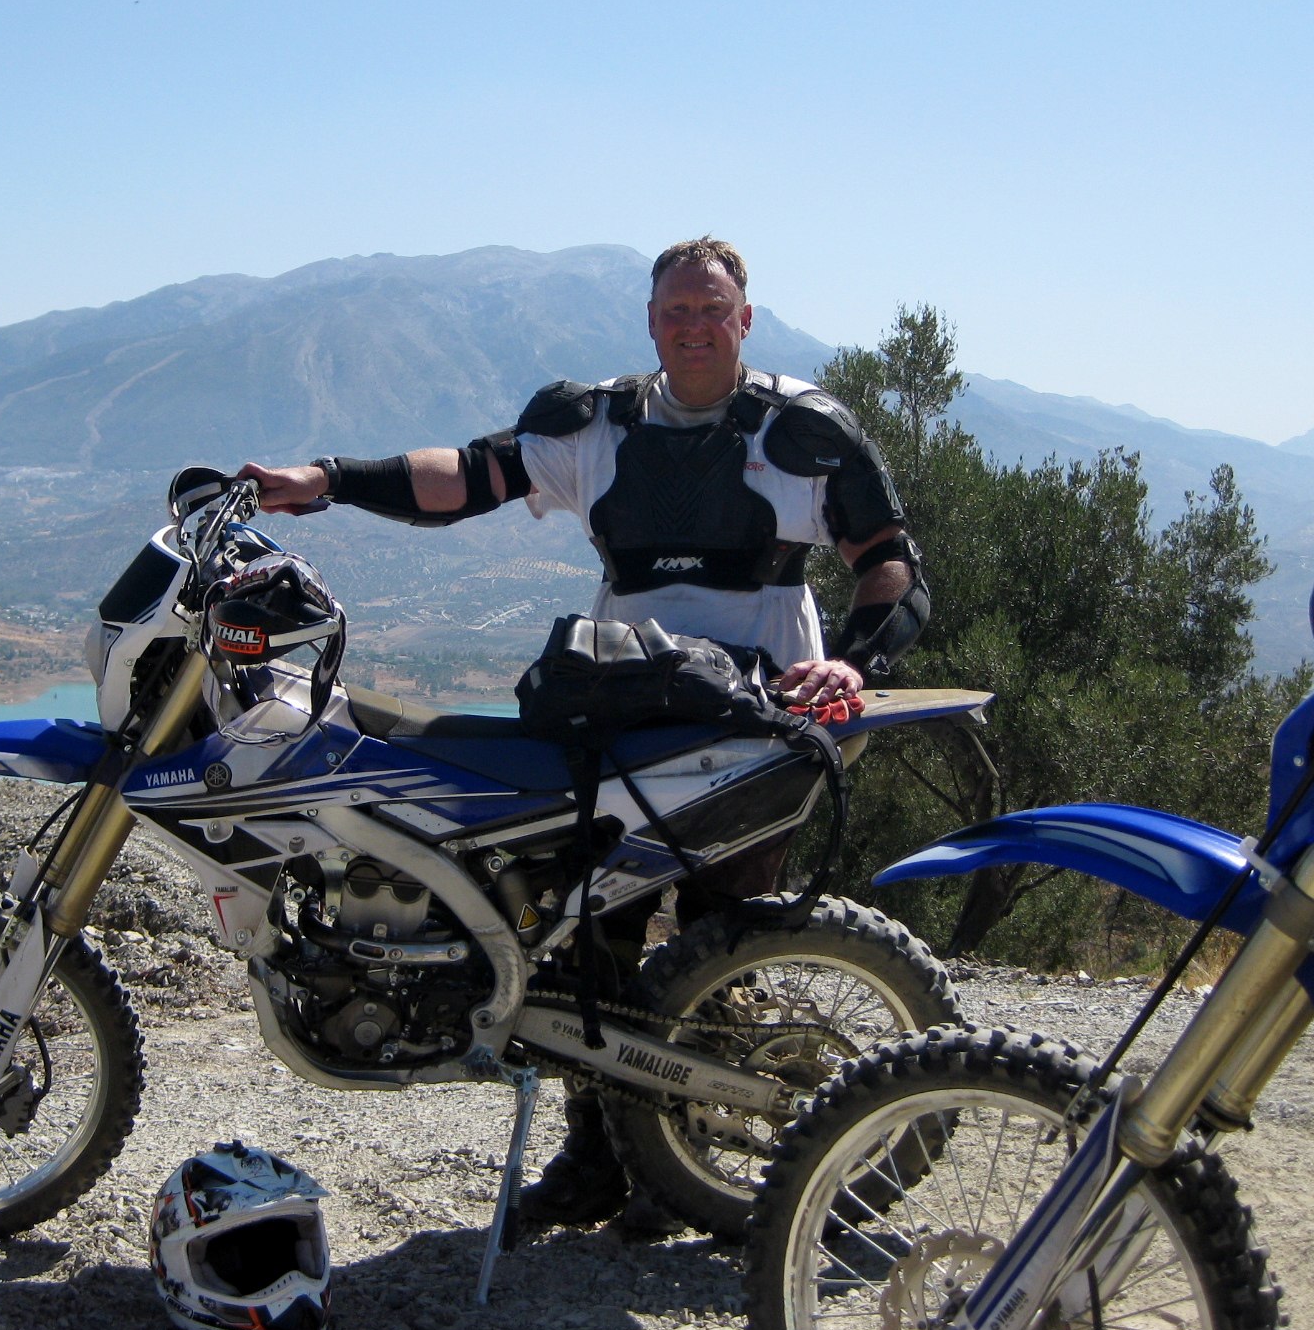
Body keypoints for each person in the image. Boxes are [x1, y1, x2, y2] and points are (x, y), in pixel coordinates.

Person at [240, 236, 928, 1230]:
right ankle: (596, 1158)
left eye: (712, 310)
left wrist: (854, 663)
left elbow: (890, 559)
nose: (694, 327)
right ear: (651, 322)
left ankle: (685, 1162)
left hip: (756, 717)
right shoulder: (598, 424)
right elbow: (466, 476)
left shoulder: (804, 433)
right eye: (676, 311)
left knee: (719, 934)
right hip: (624, 704)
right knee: (587, 933)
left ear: (745, 319)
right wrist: (330, 478)